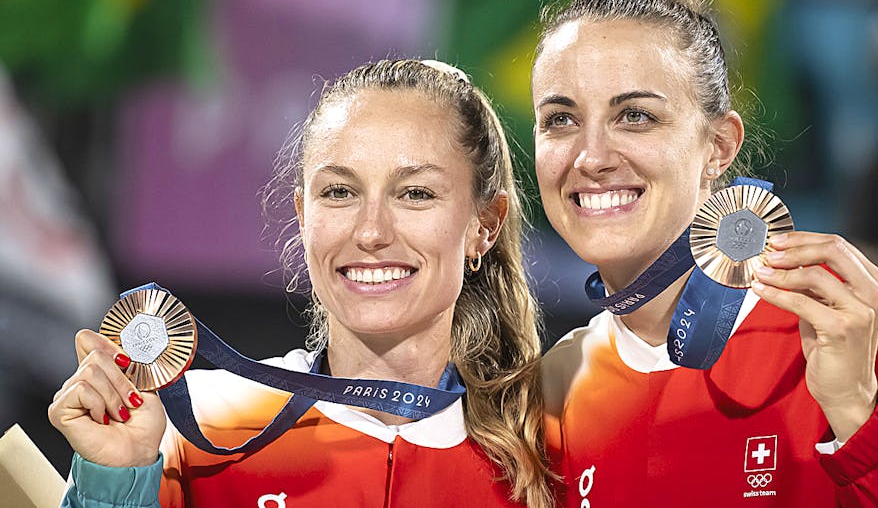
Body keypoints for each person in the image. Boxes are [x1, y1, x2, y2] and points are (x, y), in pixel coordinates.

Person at [531, 0, 878, 507]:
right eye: (560, 120)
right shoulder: (555, 389)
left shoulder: (869, 323)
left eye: (636, 116)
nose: (592, 157)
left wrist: (858, 415)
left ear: (719, 147)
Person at [49, 59, 551, 507]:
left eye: (415, 193)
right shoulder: (197, 427)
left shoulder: (549, 455)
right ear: (303, 215)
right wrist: (114, 481)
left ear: (484, 224)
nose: (371, 232)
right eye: (339, 192)